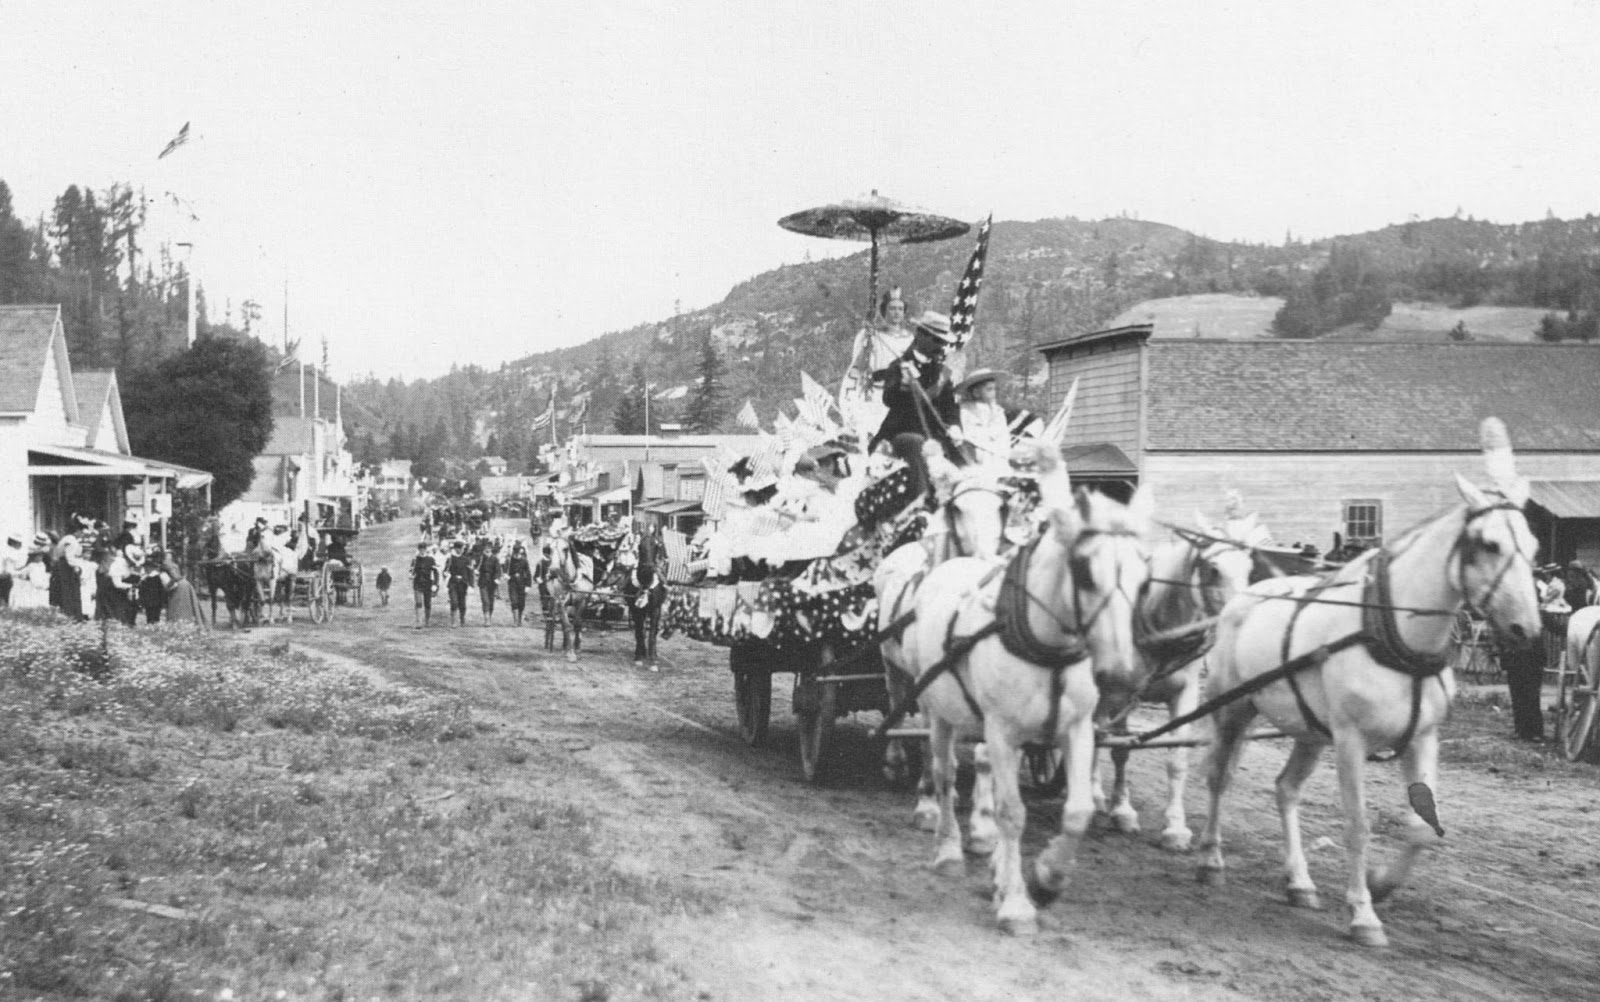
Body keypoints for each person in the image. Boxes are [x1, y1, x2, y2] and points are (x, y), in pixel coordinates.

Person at [868, 310, 964, 462]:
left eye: (944, 343)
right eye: (937, 341)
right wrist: (903, 386)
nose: (941, 347)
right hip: (901, 432)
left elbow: (950, 407)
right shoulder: (898, 366)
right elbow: (888, 399)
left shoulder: (942, 373)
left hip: (935, 434)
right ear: (920, 335)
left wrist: (955, 426)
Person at [955, 368, 1010, 473]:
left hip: (998, 450)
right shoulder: (966, 410)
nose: (993, 393)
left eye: (994, 389)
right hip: (977, 449)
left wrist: (1001, 449)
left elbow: (1003, 433)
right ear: (976, 392)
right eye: (989, 389)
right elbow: (969, 433)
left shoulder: (998, 411)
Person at [444, 539, 474, 627]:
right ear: (456, 549)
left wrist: (471, 585)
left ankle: (462, 618)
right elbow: (446, 570)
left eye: (462, 548)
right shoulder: (450, 559)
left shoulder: (466, 559)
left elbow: (470, 573)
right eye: (460, 548)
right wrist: (445, 573)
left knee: (462, 603)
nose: (462, 550)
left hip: (463, 584)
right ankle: (453, 621)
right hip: (453, 583)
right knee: (454, 602)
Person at [409, 540, 440, 628]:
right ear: (418, 549)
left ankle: (427, 621)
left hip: (428, 583)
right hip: (418, 583)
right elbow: (411, 570)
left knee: (427, 603)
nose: (422, 551)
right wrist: (411, 575)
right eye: (420, 549)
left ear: (426, 549)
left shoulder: (430, 559)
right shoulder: (415, 560)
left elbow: (436, 572)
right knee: (418, 602)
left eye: (424, 549)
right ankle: (418, 622)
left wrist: (435, 583)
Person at [506, 543, 533, 627]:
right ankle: (515, 621)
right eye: (515, 553)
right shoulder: (510, 560)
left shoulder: (524, 560)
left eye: (518, 553)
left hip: (522, 584)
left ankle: (519, 619)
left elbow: (528, 573)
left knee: (521, 603)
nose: (517, 554)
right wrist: (506, 576)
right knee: (514, 601)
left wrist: (528, 586)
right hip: (512, 583)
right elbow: (506, 570)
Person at [477, 542, 501, 626]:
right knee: (485, 600)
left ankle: (489, 617)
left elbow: (498, 570)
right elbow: (476, 567)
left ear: (491, 549)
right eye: (485, 548)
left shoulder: (495, 559)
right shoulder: (481, 558)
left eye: (489, 548)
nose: (487, 550)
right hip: (483, 582)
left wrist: (497, 578)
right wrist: (475, 570)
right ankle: (486, 619)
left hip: (492, 582)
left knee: (491, 601)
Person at [0, 533, 23, 606]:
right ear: (14, 542)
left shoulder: (4, 550)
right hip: (6, 578)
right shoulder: (12, 552)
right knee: (6, 598)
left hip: (4, 576)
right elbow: (10, 570)